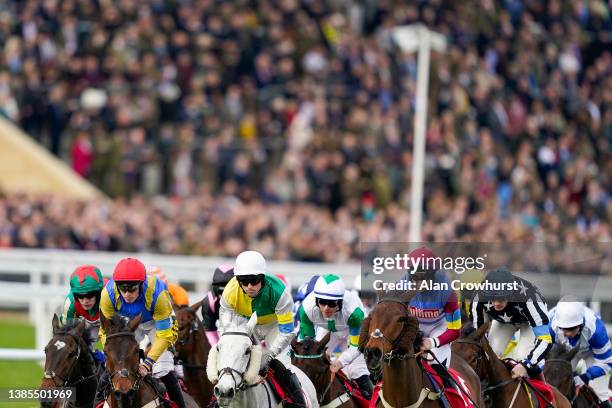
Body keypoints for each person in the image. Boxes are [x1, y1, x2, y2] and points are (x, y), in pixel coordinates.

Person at [219, 250, 306, 408]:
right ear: (237, 280)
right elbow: (225, 328)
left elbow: (287, 330)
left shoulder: (279, 292)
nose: (250, 286)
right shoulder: (229, 293)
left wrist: (270, 355)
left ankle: (298, 402)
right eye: (244, 281)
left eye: (254, 280)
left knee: (282, 365)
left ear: (263, 278)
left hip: (275, 327)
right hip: (246, 325)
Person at [97, 257, 185, 408]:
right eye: (122, 288)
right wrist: (112, 355)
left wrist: (147, 364)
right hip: (129, 324)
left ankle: (180, 405)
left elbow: (164, 337)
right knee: (113, 366)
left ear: (141, 284)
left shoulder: (158, 294)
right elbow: (105, 332)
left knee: (163, 369)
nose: (126, 294)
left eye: (131, 289)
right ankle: (96, 402)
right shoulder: (107, 295)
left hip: (156, 324)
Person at [298, 274, 373, 400]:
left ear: (340, 302)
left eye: (332, 303)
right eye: (322, 302)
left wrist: (340, 362)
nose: (326, 308)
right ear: (316, 300)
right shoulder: (306, 308)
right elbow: (305, 345)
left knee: (357, 369)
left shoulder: (354, 313)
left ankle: (371, 402)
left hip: (352, 329)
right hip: (329, 329)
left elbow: (356, 346)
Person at [472, 267, 552, 378]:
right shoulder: (478, 296)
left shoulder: (529, 297)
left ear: (511, 294)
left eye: (500, 298)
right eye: (492, 298)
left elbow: (545, 339)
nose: (495, 304)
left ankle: (542, 388)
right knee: (490, 356)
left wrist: (527, 364)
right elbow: (478, 336)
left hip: (528, 322)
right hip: (502, 322)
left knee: (522, 357)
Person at [400, 247, 461, 388]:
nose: (419, 282)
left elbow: (456, 330)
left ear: (433, 274)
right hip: (414, 326)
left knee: (434, 365)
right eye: (415, 277)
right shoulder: (401, 286)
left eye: (424, 277)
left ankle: (450, 390)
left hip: (439, 328)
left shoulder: (448, 291)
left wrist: (433, 342)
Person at [549, 299, 612, 407]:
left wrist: (585, 377)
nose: (567, 333)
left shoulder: (597, 330)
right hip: (568, 352)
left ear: (581, 324)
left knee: (600, 393)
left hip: (592, 353)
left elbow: (607, 362)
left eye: (571, 329)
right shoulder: (551, 327)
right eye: (563, 329)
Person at [60, 265, 106, 365]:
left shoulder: (109, 296)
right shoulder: (70, 304)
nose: (85, 301)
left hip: (108, 322)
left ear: (98, 293)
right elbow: (66, 337)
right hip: (84, 325)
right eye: (80, 296)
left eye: (89, 296)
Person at [200, 263, 234, 346]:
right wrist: (216, 348)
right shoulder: (208, 302)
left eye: (228, 291)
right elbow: (209, 330)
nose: (224, 296)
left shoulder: (247, 297)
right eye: (221, 291)